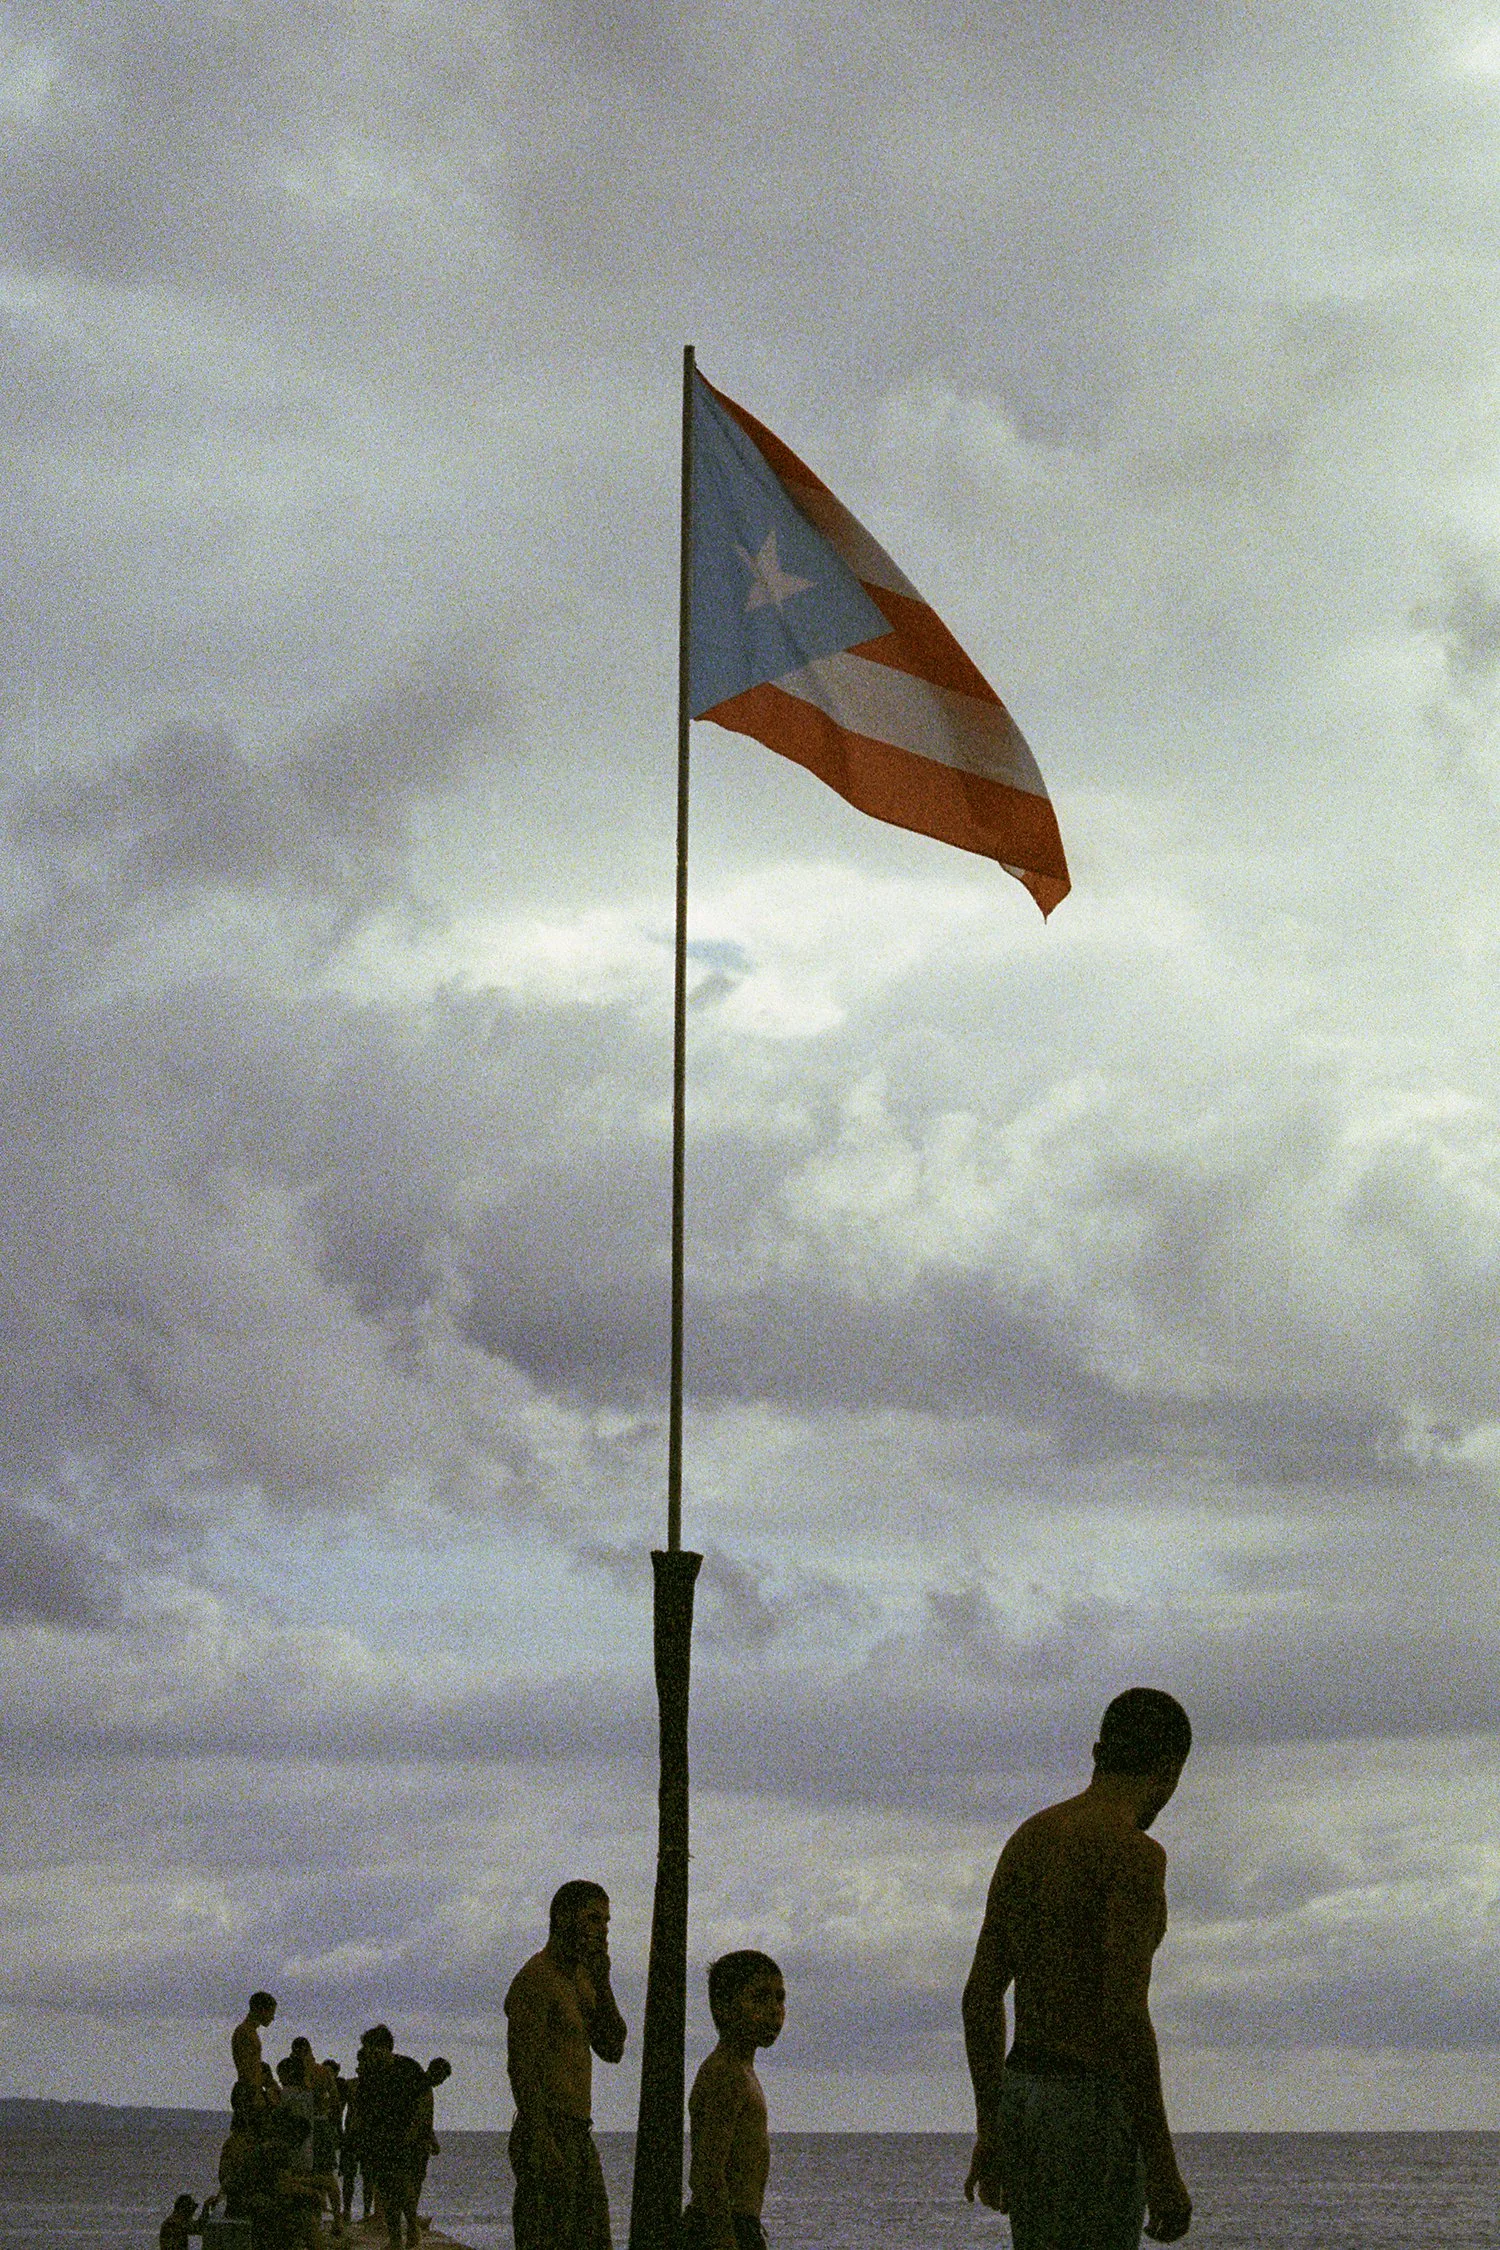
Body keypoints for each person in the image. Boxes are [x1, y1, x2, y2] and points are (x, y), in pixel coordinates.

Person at [962, 1687, 1195, 2249]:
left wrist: (992, 2127)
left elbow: (979, 1998)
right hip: (1090, 2108)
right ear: (1170, 1771)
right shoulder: (1135, 1855)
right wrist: (1162, 2166)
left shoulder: (1030, 1839)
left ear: (1097, 1753)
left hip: (1023, 2094)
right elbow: (1125, 2016)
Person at [505, 1879, 628, 2250]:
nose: (602, 1930)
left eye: (606, 1922)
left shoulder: (583, 1979)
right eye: (592, 1919)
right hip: (545, 2129)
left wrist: (603, 1981)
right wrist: (542, 2142)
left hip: (578, 2132)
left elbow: (613, 2047)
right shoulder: (536, 1979)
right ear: (563, 1918)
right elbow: (522, 2068)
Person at [682, 1950, 785, 2250]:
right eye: (760, 1998)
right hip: (721, 2228)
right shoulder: (725, 2073)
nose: (774, 2010)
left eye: (779, 1998)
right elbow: (707, 2172)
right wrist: (725, 2240)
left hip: (740, 2225)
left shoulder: (742, 2070)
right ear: (724, 2007)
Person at [359, 2025, 431, 2250]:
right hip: (381, 2137)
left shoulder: (408, 2068)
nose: (372, 2056)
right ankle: (395, 2239)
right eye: (369, 2051)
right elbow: (364, 2105)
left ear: (386, 2048)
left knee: (405, 2188)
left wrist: (419, 2131)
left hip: (408, 2136)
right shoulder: (370, 2073)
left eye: (375, 2050)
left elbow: (425, 2099)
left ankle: (411, 2227)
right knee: (387, 2191)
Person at [410, 2057, 453, 2230]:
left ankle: (412, 2216)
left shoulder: (423, 2087)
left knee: (415, 2180)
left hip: (420, 2140)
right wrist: (431, 2139)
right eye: (441, 2078)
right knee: (413, 2181)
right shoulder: (421, 2087)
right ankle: (411, 2218)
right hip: (415, 2141)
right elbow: (421, 2118)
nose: (440, 2083)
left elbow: (426, 2119)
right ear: (436, 2071)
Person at [232, 1991, 278, 2096]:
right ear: (262, 2010)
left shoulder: (248, 2031)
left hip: (251, 2089)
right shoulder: (245, 2032)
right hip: (249, 2091)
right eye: (271, 2013)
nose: (272, 2018)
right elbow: (247, 2069)